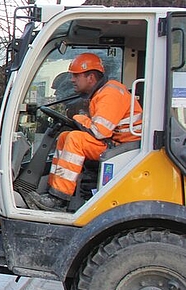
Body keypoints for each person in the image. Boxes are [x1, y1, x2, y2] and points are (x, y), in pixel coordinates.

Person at [27, 53, 142, 211]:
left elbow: (99, 131)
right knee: (65, 137)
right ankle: (54, 192)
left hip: (124, 147)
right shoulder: (102, 93)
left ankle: (59, 198)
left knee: (75, 139)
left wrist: (79, 118)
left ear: (91, 77)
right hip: (119, 144)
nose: (72, 79)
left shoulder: (110, 94)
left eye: (76, 75)